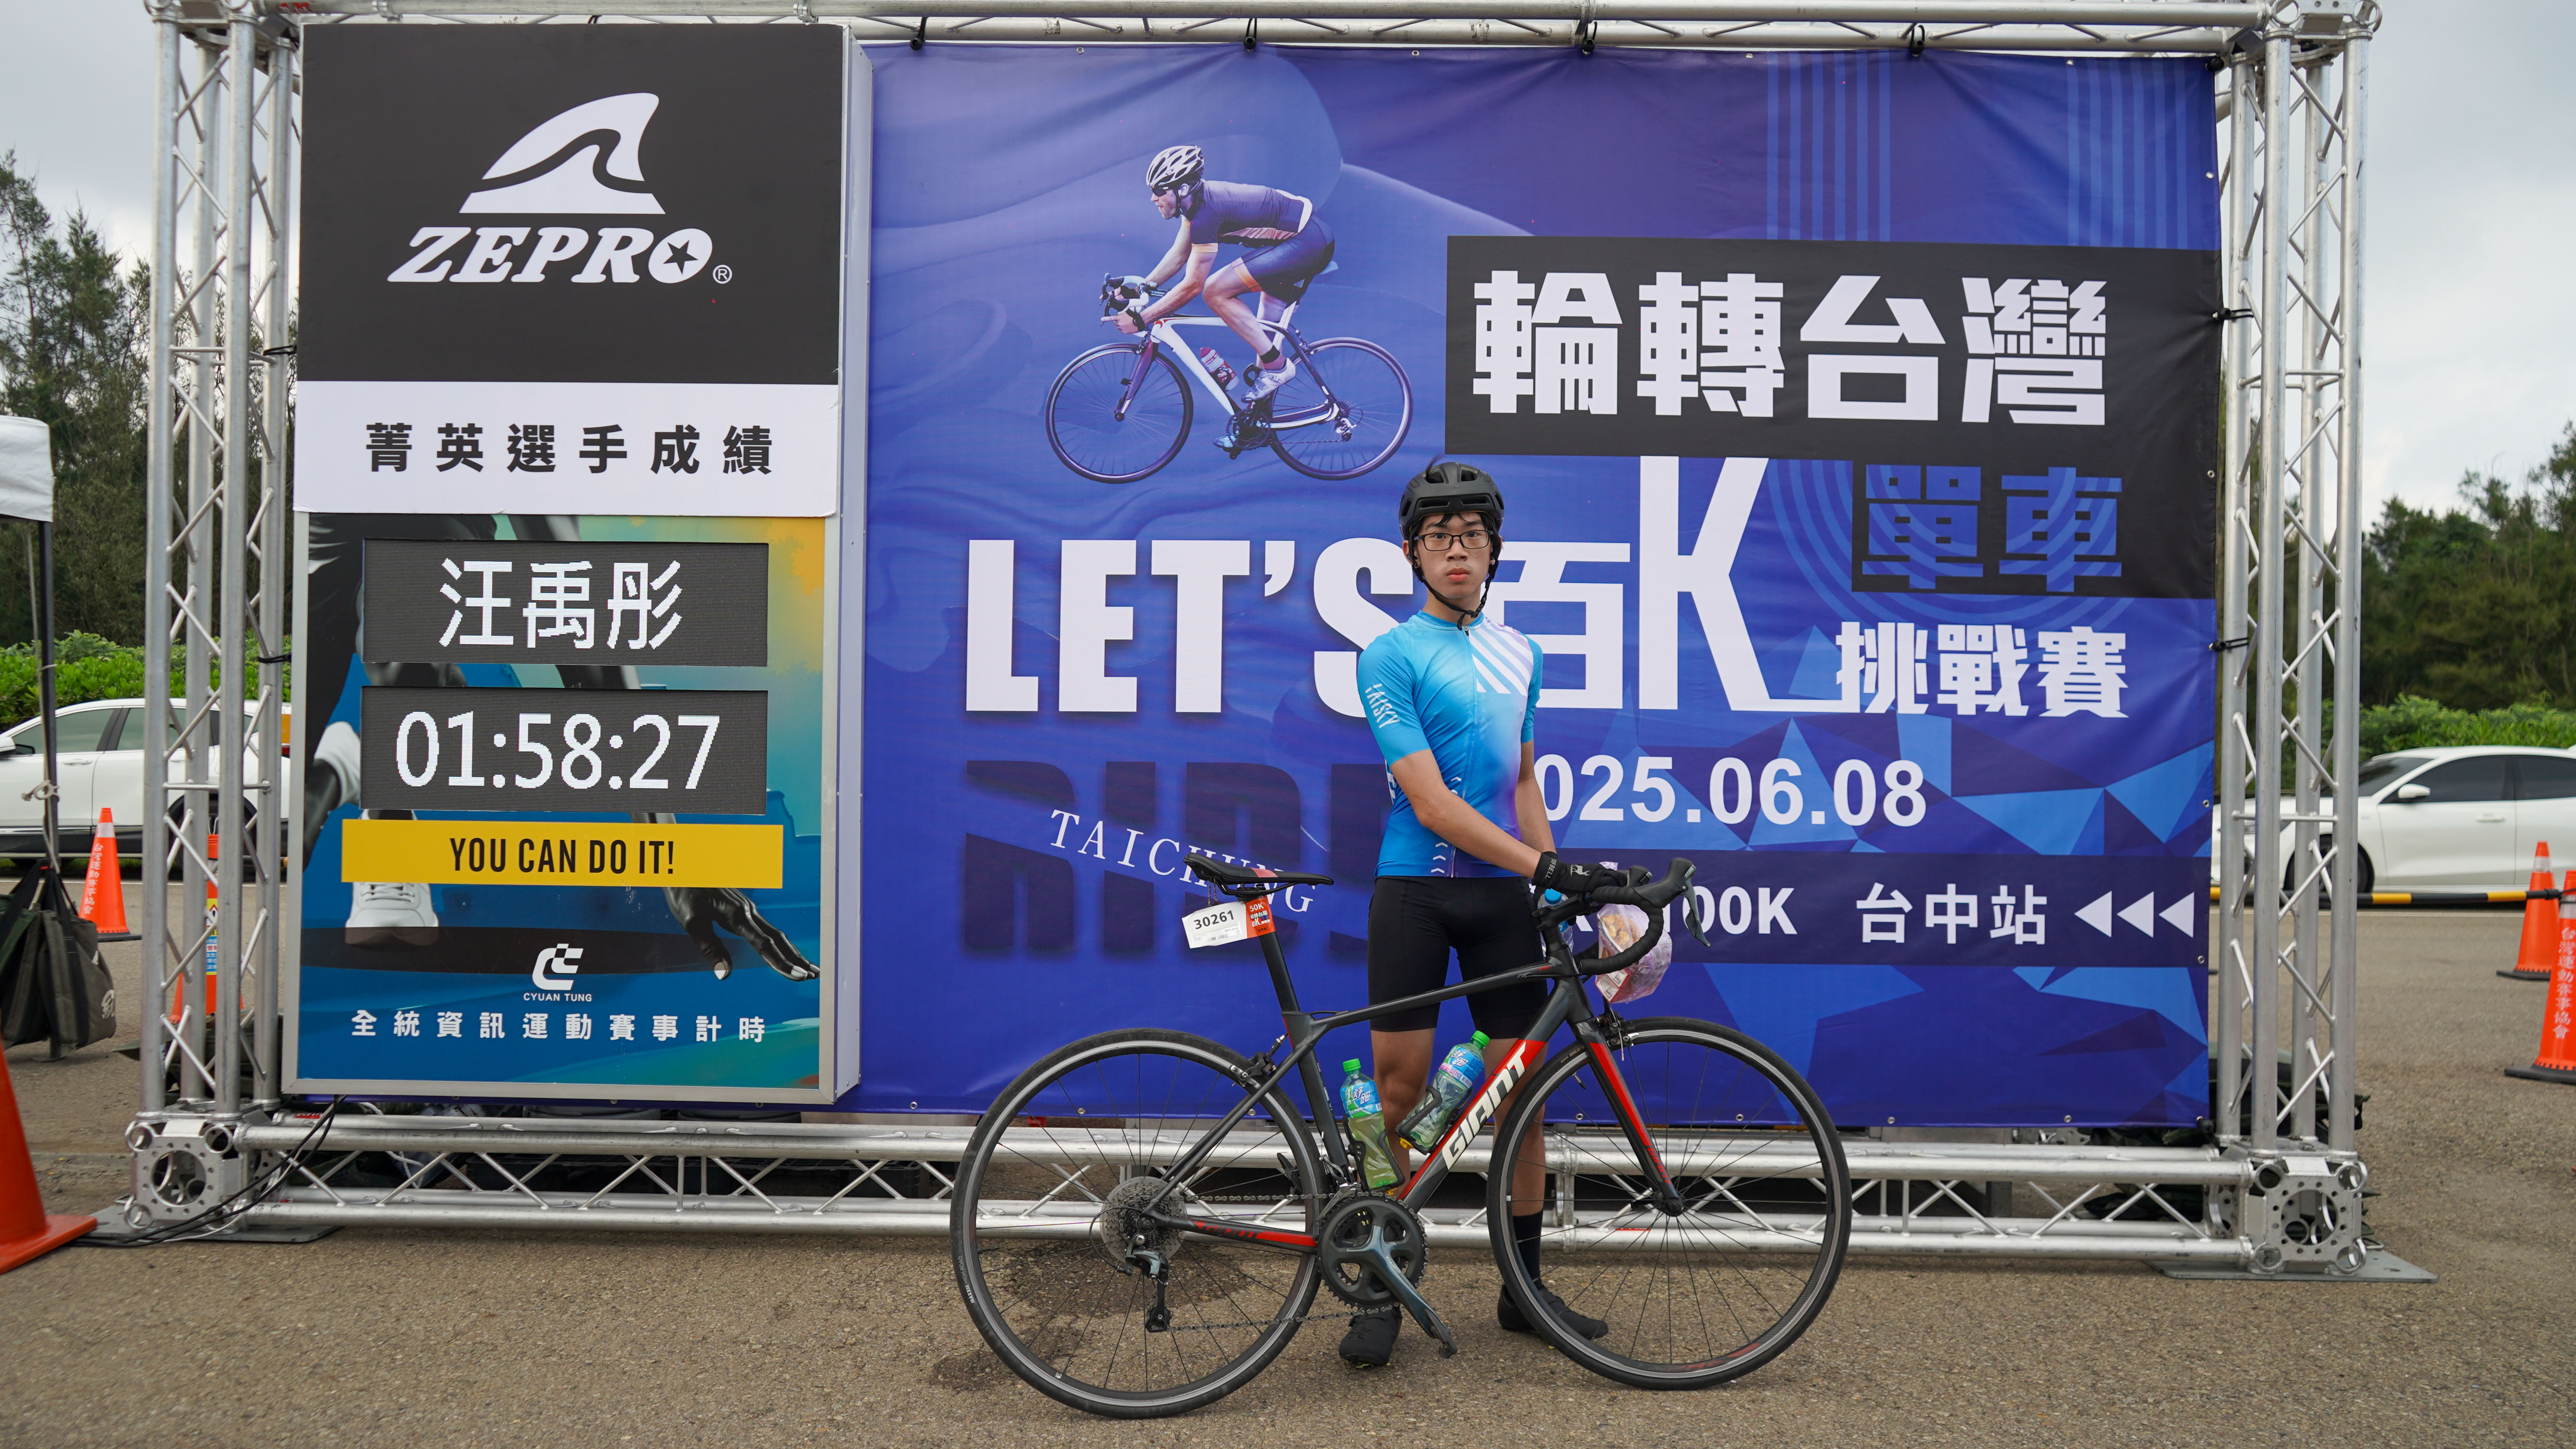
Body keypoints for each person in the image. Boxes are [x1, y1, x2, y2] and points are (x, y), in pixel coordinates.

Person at [1337, 460, 1619, 1368]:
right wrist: (1544, 865)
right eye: (1438, 537)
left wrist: (1551, 887)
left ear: (1494, 551)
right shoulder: (1389, 654)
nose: (1455, 550)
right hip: (1415, 893)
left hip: (1501, 898)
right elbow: (1430, 803)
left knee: (1521, 1100)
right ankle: (1379, 1282)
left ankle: (1523, 1290)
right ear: (1413, 552)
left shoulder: (1519, 653)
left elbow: (1524, 780)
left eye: (1471, 536)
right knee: (1397, 1097)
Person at [1112, 145, 1335, 405]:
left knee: (1215, 290)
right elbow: (1178, 255)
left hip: (1307, 243)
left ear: (1182, 190)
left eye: (1160, 191)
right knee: (1263, 337)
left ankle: (1278, 368)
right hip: (1302, 239)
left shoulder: (1206, 214)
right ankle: (1260, 416)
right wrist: (1140, 289)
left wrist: (1143, 318)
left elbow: (1193, 286)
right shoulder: (1195, 206)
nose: (1154, 198)